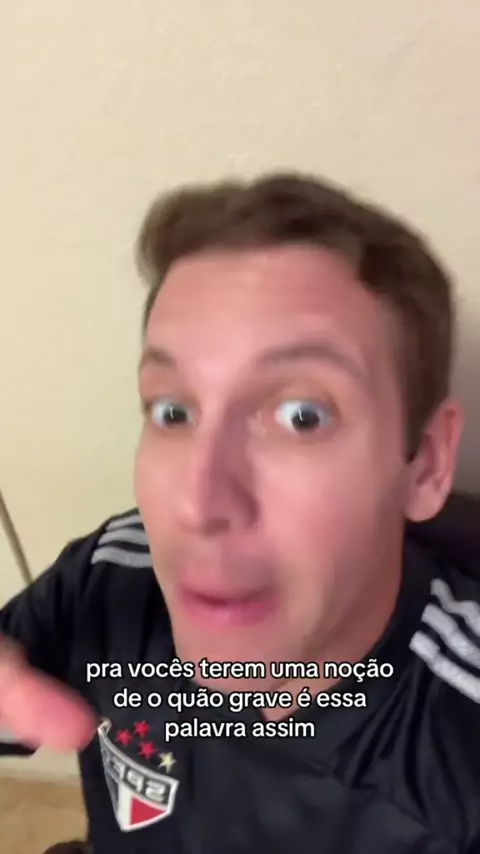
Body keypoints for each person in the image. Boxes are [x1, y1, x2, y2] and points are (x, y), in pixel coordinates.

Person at [0, 172, 478, 853]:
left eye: (302, 416)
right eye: (173, 411)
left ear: (424, 463)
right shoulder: (113, 577)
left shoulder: (459, 738)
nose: (197, 505)